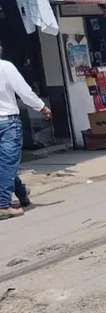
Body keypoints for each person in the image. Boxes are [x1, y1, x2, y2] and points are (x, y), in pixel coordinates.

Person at [1, 42, 51, 220]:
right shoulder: (5, 67)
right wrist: (42, 107)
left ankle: (22, 194)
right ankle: (2, 204)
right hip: (7, 122)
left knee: (6, 162)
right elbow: (24, 92)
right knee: (7, 162)